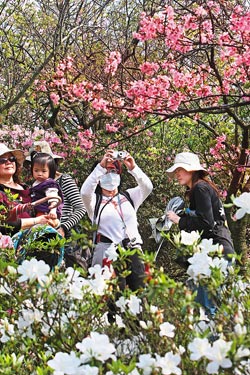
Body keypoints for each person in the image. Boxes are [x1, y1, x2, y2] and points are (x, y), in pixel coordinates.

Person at [166, 151, 235, 316]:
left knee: (208, 307)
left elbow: (206, 223)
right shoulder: (200, 189)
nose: (177, 174)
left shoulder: (200, 188)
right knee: (217, 306)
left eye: (180, 169)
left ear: (191, 170)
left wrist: (178, 220)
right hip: (218, 249)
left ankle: (214, 340)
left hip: (216, 251)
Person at [80, 149, 153, 291]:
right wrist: (100, 167)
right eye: (107, 172)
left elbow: (147, 187)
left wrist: (133, 168)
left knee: (140, 294)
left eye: (114, 171)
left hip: (133, 250)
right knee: (111, 297)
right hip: (106, 251)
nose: (110, 175)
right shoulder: (94, 201)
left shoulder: (130, 197)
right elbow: (85, 192)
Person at [26, 141, 86, 267]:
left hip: (67, 236)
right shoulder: (35, 186)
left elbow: (81, 208)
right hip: (44, 234)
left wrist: (63, 227)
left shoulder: (63, 180)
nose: (40, 172)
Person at [0, 143, 51, 236]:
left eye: (11, 159)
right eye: (2, 160)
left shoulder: (27, 188)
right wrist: (36, 221)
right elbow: (3, 224)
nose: (8, 162)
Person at [29, 151, 63, 229]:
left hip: (46, 212)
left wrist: (53, 211)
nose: (39, 173)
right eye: (36, 170)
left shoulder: (49, 184)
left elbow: (53, 198)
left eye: (43, 171)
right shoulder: (36, 183)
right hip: (38, 212)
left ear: (50, 172)